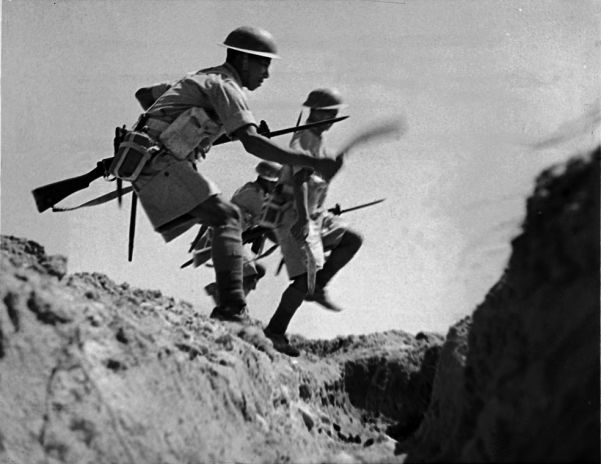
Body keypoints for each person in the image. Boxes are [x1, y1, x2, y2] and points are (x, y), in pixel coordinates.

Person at [127, 26, 341, 323]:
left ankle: (231, 305)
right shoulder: (226, 86)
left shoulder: (202, 77)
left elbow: (144, 95)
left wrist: (185, 132)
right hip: (159, 161)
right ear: (243, 61)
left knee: (224, 218)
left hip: (151, 159)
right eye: (263, 64)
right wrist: (311, 162)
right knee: (227, 217)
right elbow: (253, 143)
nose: (266, 74)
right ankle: (232, 308)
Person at [263, 88, 363, 356]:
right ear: (314, 111)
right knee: (301, 281)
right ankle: (274, 332)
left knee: (351, 240)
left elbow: (319, 182)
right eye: (327, 113)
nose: (331, 118)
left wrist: (333, 170)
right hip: (294, 216)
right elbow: (300, 180)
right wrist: (304, 220)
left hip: (315, 216)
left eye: (333, 114)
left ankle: (319, 286)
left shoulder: (317, 140)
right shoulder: (304, 139)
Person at [203, 160, 282, 304]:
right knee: (250, 275)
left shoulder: (253, 190)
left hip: (227, 236)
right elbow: (269, 222)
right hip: (225, 237)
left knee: (256, 271)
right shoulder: (254, 195)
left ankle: (224, 296)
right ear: (266, 180)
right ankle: (226, 302)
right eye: (275, 184)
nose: (277, 188)